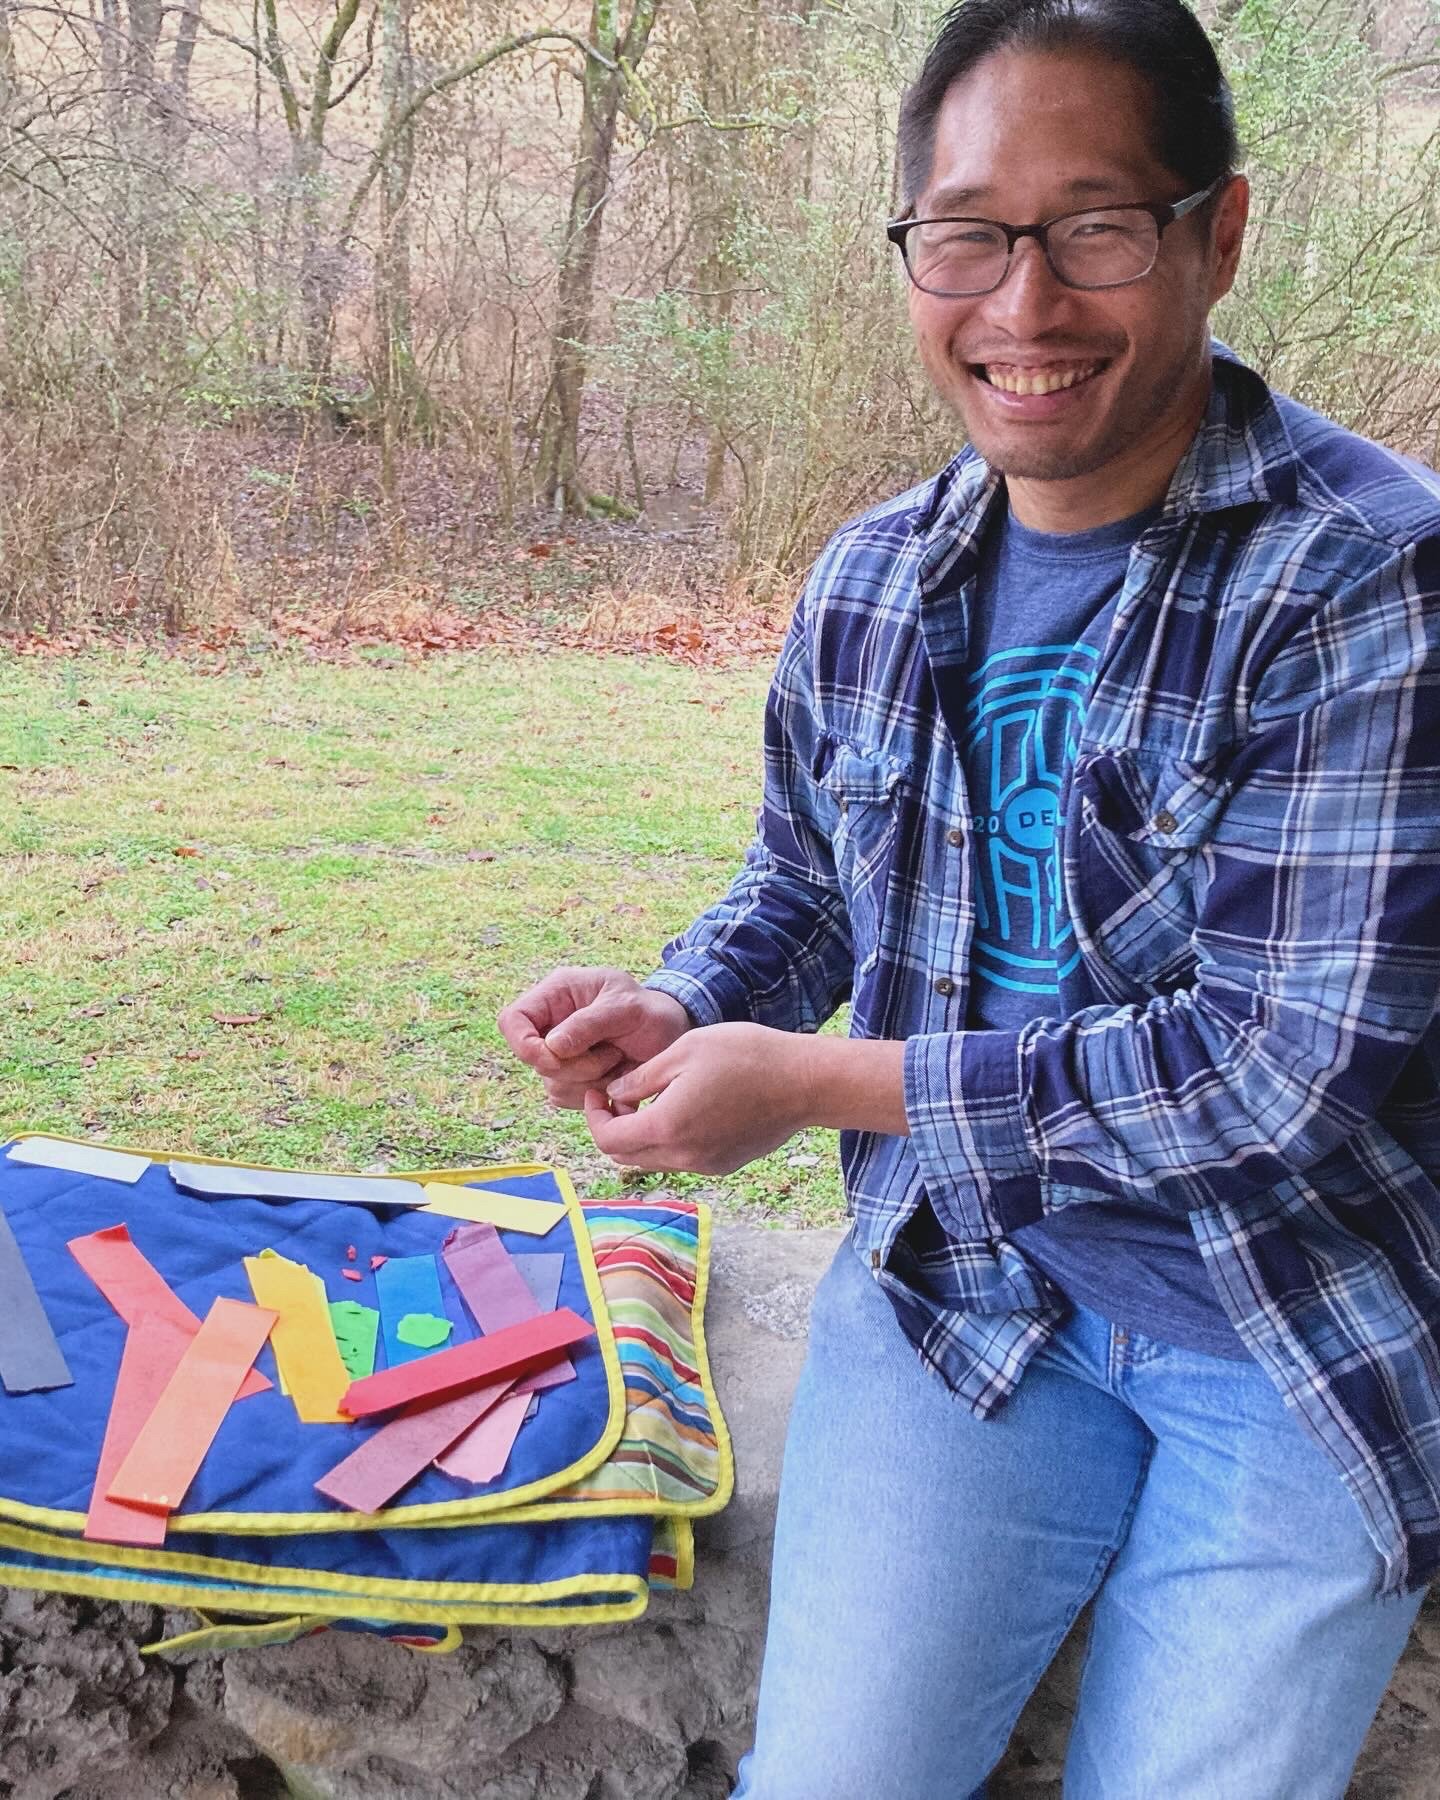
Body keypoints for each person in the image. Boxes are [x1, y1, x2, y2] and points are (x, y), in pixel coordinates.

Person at [498, 0, 1440, 1791]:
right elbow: (807, 879)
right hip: (963, 1274)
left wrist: (822, 1084)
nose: (1023, 305)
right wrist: (690, 1000)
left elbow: (1276, 1078)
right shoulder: (878, 570)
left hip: (1293, 1320)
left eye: (1095, 227)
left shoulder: (1372, 578)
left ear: (1215, 232)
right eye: (968, 235)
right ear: (914, 248)